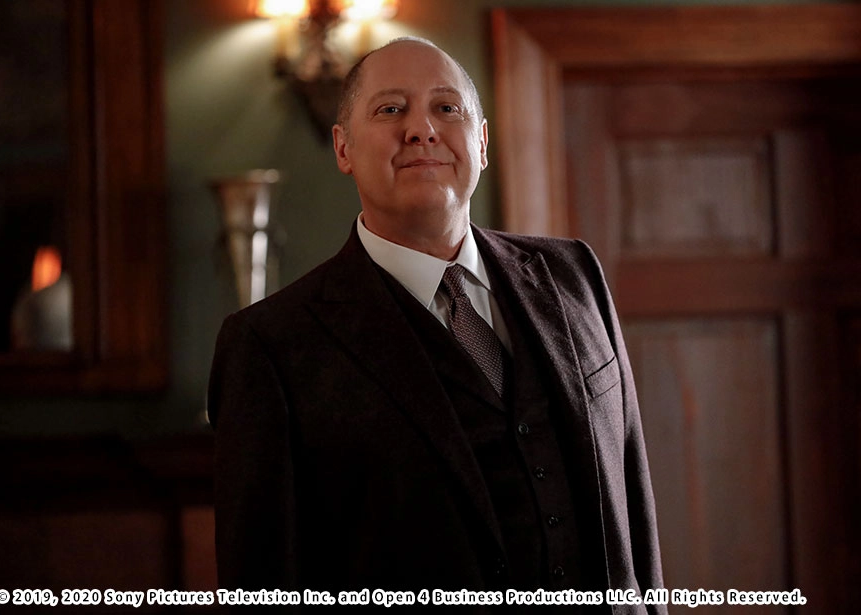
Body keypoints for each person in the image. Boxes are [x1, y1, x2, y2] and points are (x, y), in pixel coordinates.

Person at [209, 37, 665, 613]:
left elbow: (633, 506)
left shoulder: (573, 273)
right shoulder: (270, 345)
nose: (422, 129)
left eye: (447, 108)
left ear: (482, 142)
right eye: (391, 109)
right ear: (343, 147)